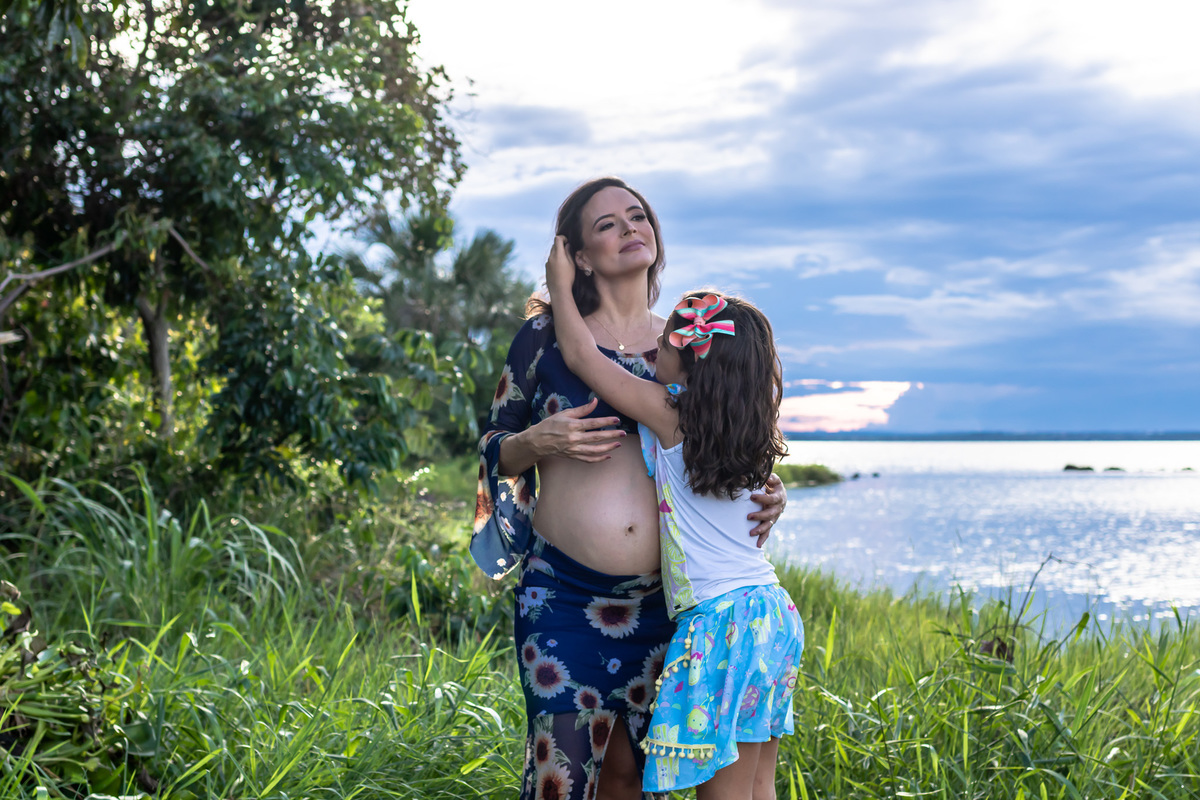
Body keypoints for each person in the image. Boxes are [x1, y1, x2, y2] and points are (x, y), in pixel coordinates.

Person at [472, 177, 789, 800]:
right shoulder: (543, 340)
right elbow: (495, 444)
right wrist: (539, 441)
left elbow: (734, 440)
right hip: (562, 596)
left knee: (634, 778)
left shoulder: (688, 345)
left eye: (637, 215)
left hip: (671, 608)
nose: (628, 228)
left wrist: (771, 491)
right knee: (560, 776)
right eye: (606, 224)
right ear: (578, 257)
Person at [545, 240, 804, 800]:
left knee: (724, 792)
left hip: (721, 623)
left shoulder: (671, 415)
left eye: (662, 344)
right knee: (759, 782)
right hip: (773, 615)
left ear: (688, 364)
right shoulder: (747, 432)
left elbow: (582, 356)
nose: (653, 347)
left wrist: (559, 285)